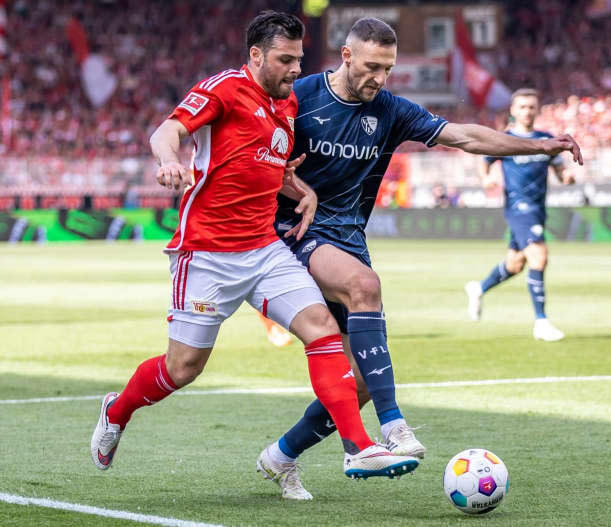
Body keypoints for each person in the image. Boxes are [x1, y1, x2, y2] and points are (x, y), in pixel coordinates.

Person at [90, 11, 418, 498]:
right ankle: (116, 410)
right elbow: (167, 132)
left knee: (323, 330)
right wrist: (168, 161)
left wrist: (300, 188)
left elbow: (267, 166)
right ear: (257, 55)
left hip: (265, 249)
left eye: (299, 59)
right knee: (182, 368)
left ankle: (359, 446)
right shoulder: (223, 89)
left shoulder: (286, 107)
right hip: (206, 253)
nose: (294, 70)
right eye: (285, 60)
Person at [257, 18, 582, 498]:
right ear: (346, 57)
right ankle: (392, 427)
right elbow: (252, 149)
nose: (379, 78)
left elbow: (466, 137)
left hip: (348, 236)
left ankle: (281, 456)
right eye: (371, 67)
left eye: (387, 69)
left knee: (361, 381)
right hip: (295, 232)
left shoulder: (389, 109)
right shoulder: (299, 97)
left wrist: (535, 146)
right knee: (366, 286)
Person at [465, 88, 576, 341]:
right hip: (518, 207)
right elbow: (484, 161)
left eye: (531, 107)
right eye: (522, 107)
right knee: (539, 256)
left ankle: (478, 288)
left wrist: (566, 177)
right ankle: (541, 322)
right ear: (513, 111)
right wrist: (485, 179)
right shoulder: (504, 140)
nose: (527, 111)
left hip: (538, 209)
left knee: (515, 264)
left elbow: (559, 169)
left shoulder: (546, 139)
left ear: (537, 110)